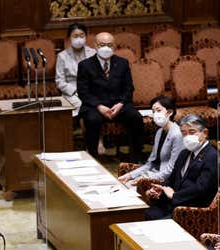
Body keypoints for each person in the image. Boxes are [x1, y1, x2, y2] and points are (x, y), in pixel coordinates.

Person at [77, 32, 144, 161]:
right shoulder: (85, 65)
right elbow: (83, 91)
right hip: (95, 105)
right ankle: (93, 157)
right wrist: (99, 106)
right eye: (102, 45)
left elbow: (129, 88)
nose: (106, 48)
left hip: (119, 104)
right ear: (95, 46)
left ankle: (136, 157)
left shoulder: (122, 63)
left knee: (135, 117)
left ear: (114, 46)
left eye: (109, 45)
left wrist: (120, 104)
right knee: (92, 120)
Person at [145, 115, 220, 220]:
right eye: (184, 133)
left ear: (205, 133)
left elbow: (201, 188)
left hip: (192, 210)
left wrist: (175, 196)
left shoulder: (212, 156)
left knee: (155, 223)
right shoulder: (184, 153)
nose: (187, 136)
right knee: (145, 214)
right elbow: (172, 178)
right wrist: (160, 188)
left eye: (192, 132)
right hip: (175, 204)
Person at [118, 96, 183, 185]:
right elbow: (151, 163)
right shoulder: (159, 132)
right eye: (153, 111)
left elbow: (171, 169)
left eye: (158, 110)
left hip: (168, 178)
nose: (155, 114)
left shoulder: (177, 134)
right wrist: (129, 175)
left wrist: (144, 179)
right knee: (123, 182)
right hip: (155, 172)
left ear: (169, 112)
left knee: (129, 187)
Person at [56, 23, 97, 116]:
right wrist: (76, 90)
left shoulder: (93, 53)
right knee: (81, 104)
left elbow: (97, 76)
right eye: (75, 36)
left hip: (91, 90)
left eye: (82, 35)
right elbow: (60, 81)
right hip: (72, 93)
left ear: (86, 37)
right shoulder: (62, 56)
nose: (79, 38)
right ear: (69, 38)